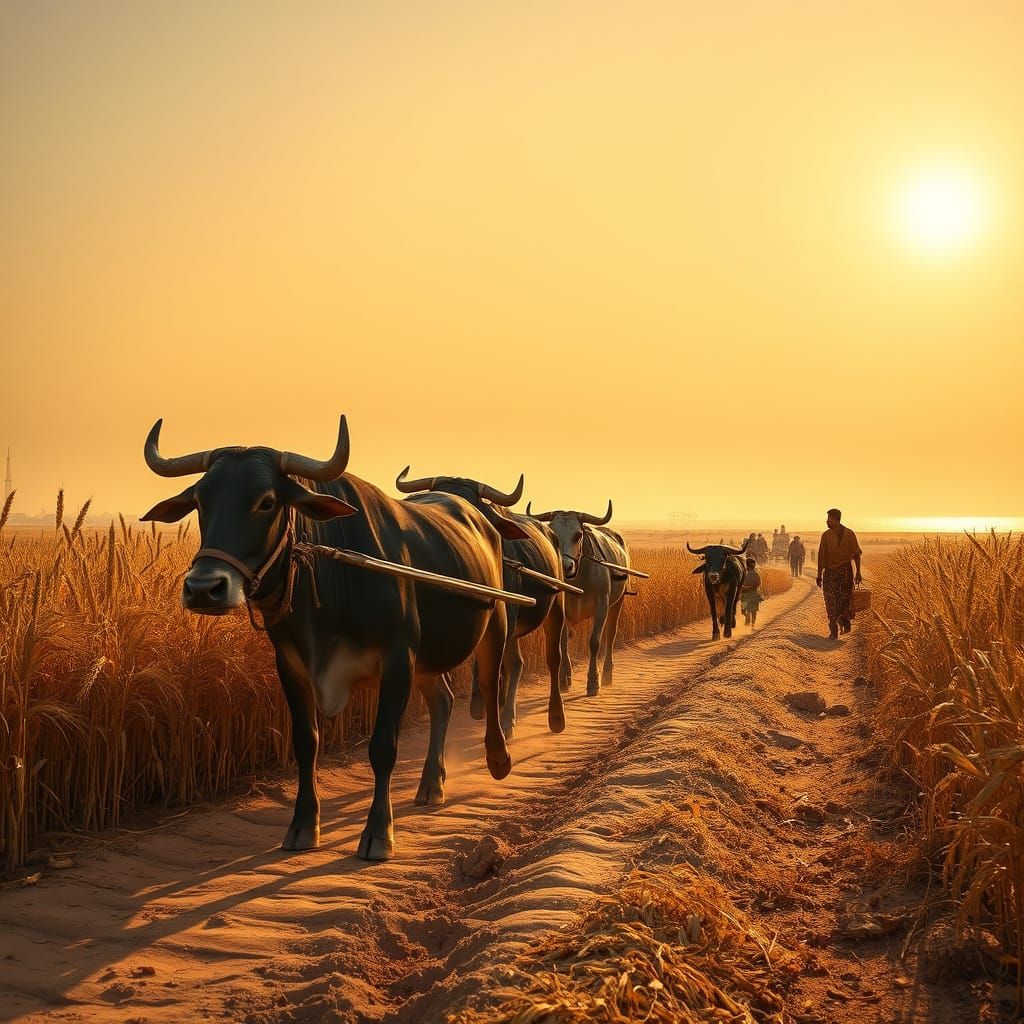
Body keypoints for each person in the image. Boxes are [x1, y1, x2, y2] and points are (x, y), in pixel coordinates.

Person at [816, 508, 863, 639]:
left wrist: (858, 572)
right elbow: (821, 557)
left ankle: (844, 621)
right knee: (830, 600)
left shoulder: (849, 534)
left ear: (836, 519)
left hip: (846, 572)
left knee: (845, 600)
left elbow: (856, 555)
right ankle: (833, 630)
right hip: (830, 572)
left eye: (829, 519)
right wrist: (819, 575)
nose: (826, 521)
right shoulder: (826, 536)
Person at [740, 556, 765, 627]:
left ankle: (749, 622)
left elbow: (757, 584)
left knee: (747, 610)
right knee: (750, 611)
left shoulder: (747, 574)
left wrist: (746, 587)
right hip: (749, 595)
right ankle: (751, 623)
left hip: (748, 595)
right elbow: (758, 584)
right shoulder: (752, 574)